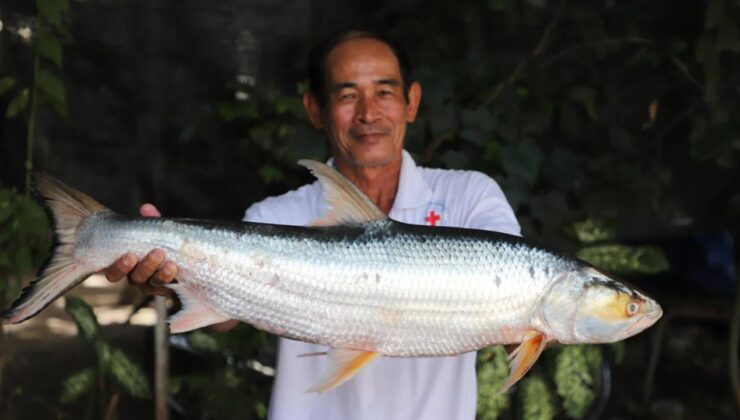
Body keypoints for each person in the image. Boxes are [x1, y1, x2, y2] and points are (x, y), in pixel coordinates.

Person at [104, 30, 520, 419]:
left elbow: (515, 301)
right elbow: (223, 316)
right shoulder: (274, 216)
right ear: (314, 109)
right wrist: (172, 275)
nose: (368, 113)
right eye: (347, 95)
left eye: (385, 92)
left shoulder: (471, 197)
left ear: (411, 101)